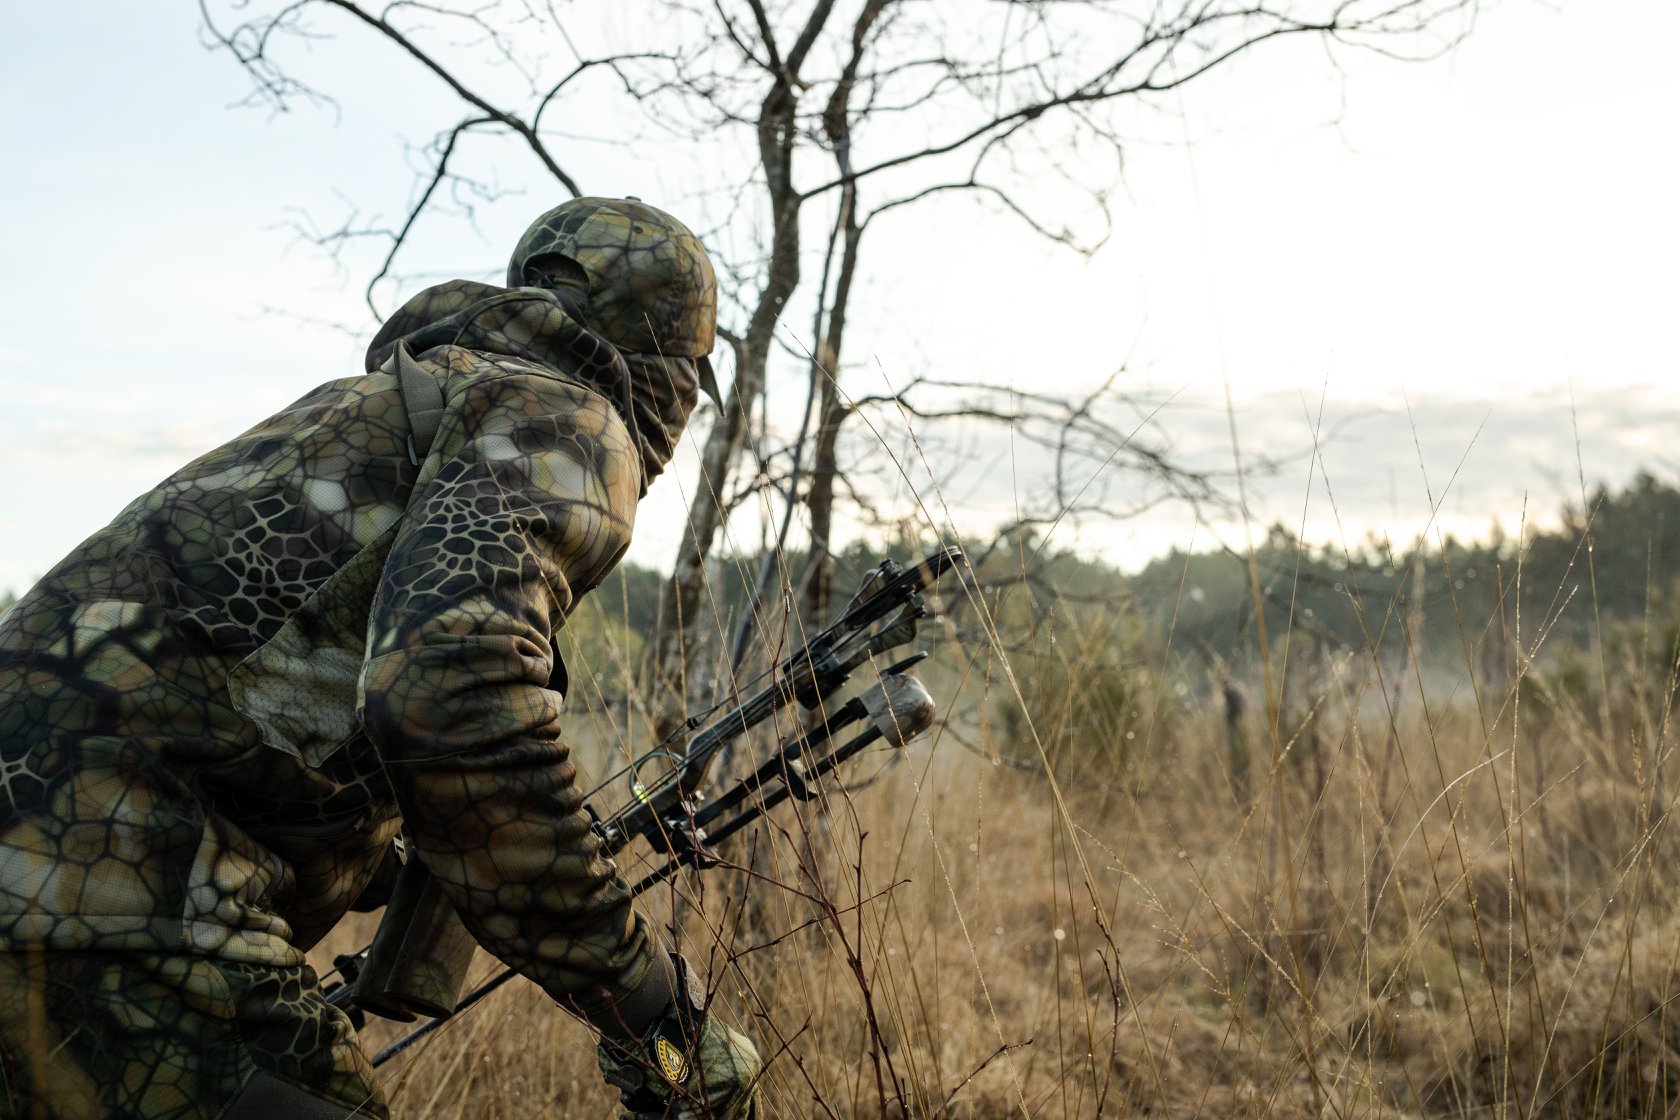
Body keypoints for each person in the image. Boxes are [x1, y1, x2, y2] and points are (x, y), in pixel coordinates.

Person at [0, 197, 759, 1119]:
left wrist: (385, 857)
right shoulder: (570, 420)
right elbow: (454, 697)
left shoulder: (383, 401)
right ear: (668, 366)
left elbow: (239, 677)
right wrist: (649, 1006)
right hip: (101, 878)